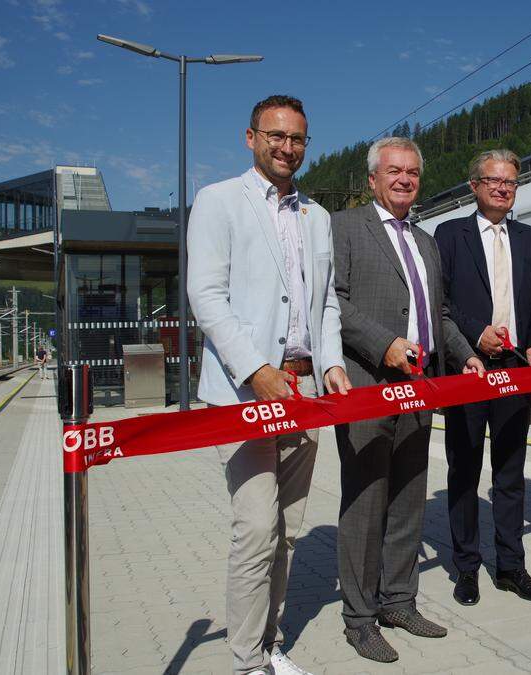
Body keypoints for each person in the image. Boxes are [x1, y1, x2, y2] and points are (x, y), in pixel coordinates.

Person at [187, 94, 350, 675]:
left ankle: (268, 643)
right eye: (276, 135)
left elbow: (325, 300)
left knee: (287, 530)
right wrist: (256, 369)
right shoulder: (217, 202)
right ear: (250, 137)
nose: (287, 147)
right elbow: (206, 296)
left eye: (298, 139)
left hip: (304, 394)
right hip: (244, 394)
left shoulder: (317, 216)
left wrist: (331, 363)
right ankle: (246, 661)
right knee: (256, 528)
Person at [331, 137, 485, 663]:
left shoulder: (425, 241)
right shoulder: (345, 227)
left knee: (408, 500)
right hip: (368, 387)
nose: (404, 179)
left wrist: (462, 354)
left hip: (420, 389)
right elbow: (335, 302)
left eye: (412, 172)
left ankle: (399, 600)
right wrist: (385, 345)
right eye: (394, 171)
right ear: (372, 178)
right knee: (366, 501)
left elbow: (438, 314)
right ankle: (359, 618)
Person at [434, 149, 531, 607]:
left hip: (514, 368)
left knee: (510, 472)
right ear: (474, 185)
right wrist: (473, 336)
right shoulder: (450, 235)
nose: (503, 188)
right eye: (493, 180)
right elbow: (439, 301)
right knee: (464, 470)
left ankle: (511, 567)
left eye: (510, 182)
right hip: (470, 366)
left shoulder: (529, 238)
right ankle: (466, 568)